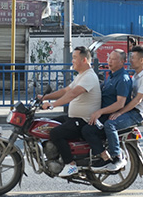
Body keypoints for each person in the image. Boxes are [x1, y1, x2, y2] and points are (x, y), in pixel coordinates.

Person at [40, 46, 101, 177]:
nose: (72, 61)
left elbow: (73, 94)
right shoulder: (81, 76)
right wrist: (44, 98)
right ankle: (54, 155)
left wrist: (52, 105)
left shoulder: (89, 76)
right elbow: (66, 91)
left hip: (83, 121)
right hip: (73, 117)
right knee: (46, 124)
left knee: (56, 133)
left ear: (84, 60)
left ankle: (70, 164)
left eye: (74, 58)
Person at [94, 44, 143, 172]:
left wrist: (120, 112)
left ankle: (116, 157)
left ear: (142, 60)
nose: (130, 60)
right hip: (130, 110)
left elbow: (137, 100)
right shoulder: (136, 76)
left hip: (137, 113)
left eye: (133, 58)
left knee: (110, 124)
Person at [81, 49, 132, 171]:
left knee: (88, 130)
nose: (109, 61)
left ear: (122, 62)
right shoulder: (111, 76)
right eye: (109, 58)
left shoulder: (123, 79)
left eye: (113, 59)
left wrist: (100, 112)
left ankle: (107, 158)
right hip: (102, 113)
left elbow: (120, 103)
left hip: (108, 116)